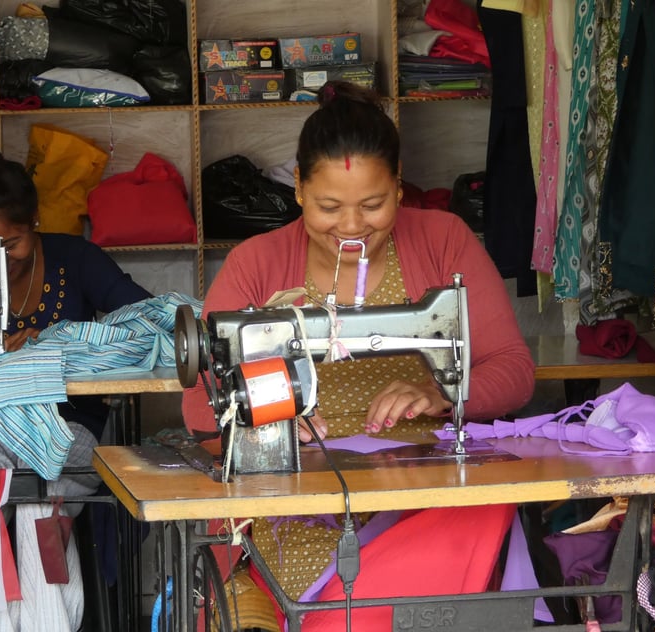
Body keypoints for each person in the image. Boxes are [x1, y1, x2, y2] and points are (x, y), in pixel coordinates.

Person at [181, 81, 536, 631]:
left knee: (485, 508)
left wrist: (443, 394)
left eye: (373, 205)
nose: (351, 227)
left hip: (423, 490)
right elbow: (202, 408)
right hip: (300, 503)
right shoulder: (256, 263)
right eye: (329, 207)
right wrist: (265, 416)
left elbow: (512, 367)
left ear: (399, 188)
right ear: (297, 188)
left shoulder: (444, 239)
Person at [0, 139, 151, 632]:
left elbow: (151, 321)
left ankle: (48, 624)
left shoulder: (75, 259)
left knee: (41, 492)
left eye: (9, 246)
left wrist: (65, 341)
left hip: (70, 424)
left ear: (34, 222)